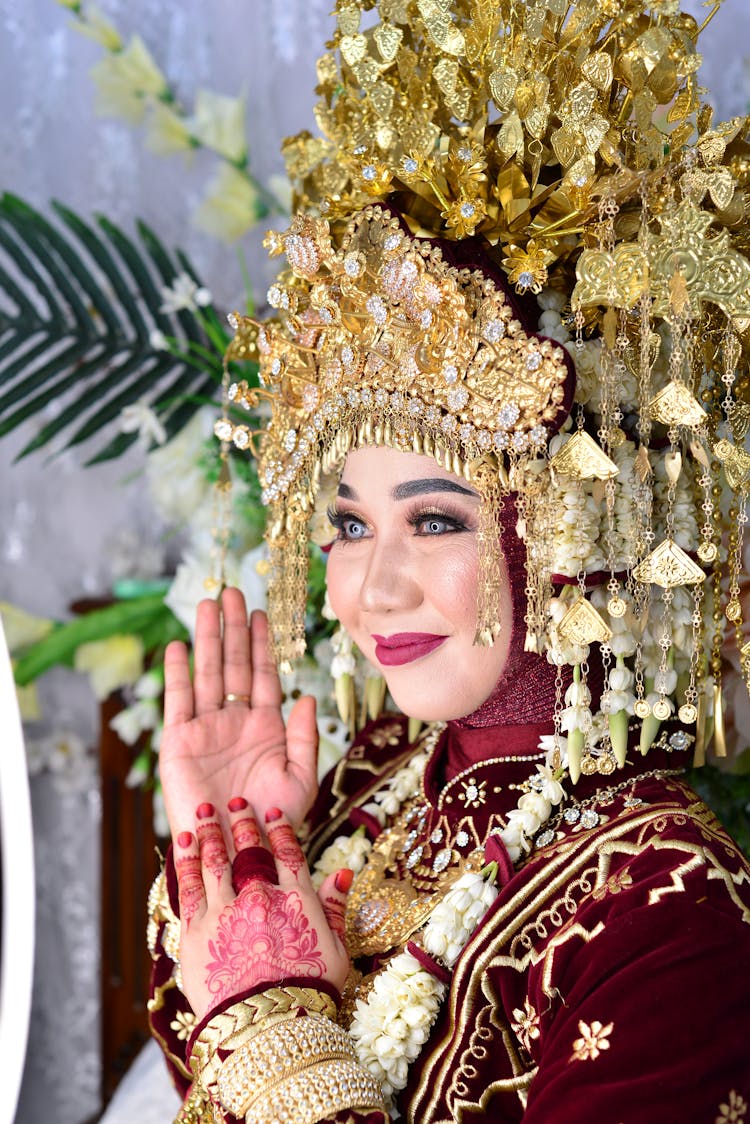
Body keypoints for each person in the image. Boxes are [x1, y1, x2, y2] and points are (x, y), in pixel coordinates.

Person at [146, 2, 750, 1121]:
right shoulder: (372, 779)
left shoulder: (668, 908)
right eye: (345, 522)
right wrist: (227, 850)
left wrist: (276, 1018)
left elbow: (251, 1047)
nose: (373, 587)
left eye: (434, 520)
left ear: (569, 522)